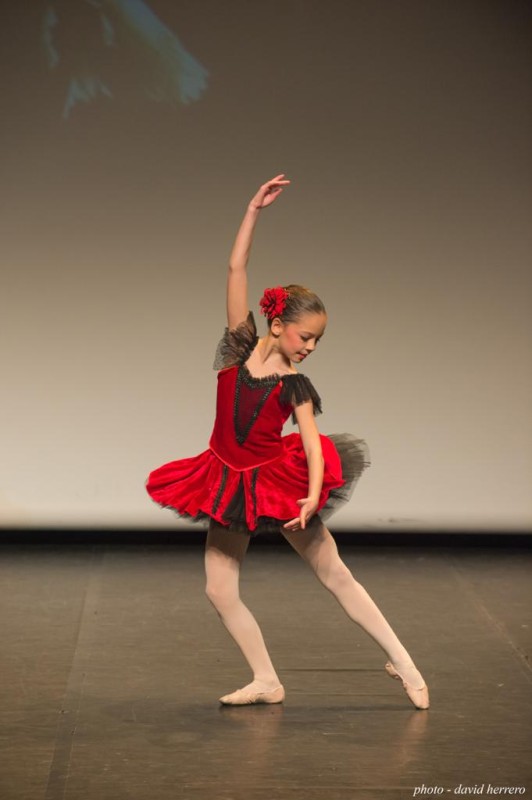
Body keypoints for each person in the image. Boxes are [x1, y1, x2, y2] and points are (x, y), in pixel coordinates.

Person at [145, 174, 429, 710]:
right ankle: (267, 680)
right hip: (226, 480)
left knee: (334, 572)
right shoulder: (238, 348)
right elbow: (236, 269)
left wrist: (311, 495)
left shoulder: (295, 384)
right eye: (306, 336)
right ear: (276, 324)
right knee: (219, 590)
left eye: (319, 340)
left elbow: (314, 445)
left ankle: (406, 664)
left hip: (279, 484)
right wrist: (253, 209)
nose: (312, 347)